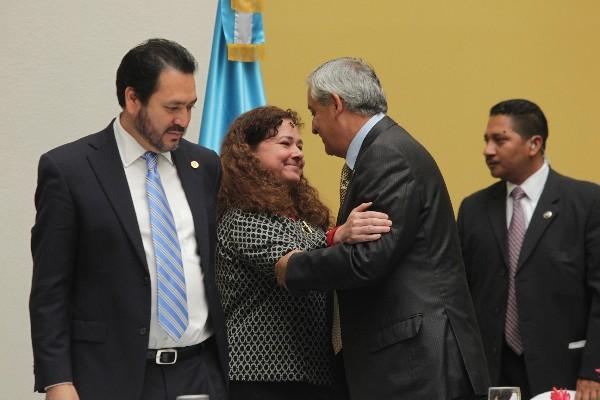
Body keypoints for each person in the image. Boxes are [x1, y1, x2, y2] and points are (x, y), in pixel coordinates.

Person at [274, 57, 490, 399]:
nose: (312, 128)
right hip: (411, 359)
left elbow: (366, 261)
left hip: (415, 364)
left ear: (337, 104)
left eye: (314, 112)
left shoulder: (387, 156)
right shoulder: (387, 149)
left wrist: (294, 266)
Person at [29, 38, 228, 400]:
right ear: (132, 98)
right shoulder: (70, 170)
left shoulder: (204, 165)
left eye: (190, 107)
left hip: (200, 374)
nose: (182, 121)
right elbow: (50, 289)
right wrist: (58, 381)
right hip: (111, 377)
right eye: (171, 107)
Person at [215, 105, 392, 400]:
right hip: (258, 377)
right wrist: (338, 236)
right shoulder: (240, 216)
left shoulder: (306, 218)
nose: (298, 153)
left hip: (314, 374)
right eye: (285, 143)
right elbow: (292, 265)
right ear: (248, 153)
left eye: (299, 145)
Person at [457, 99, 600, 399]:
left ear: (534, 144)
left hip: (565, 372)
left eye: (500, 140)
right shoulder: (474, 209)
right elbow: (462, 294)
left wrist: (594, 371)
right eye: (486, 140)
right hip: (493, 373)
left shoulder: (586, 203)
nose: (488, 150)